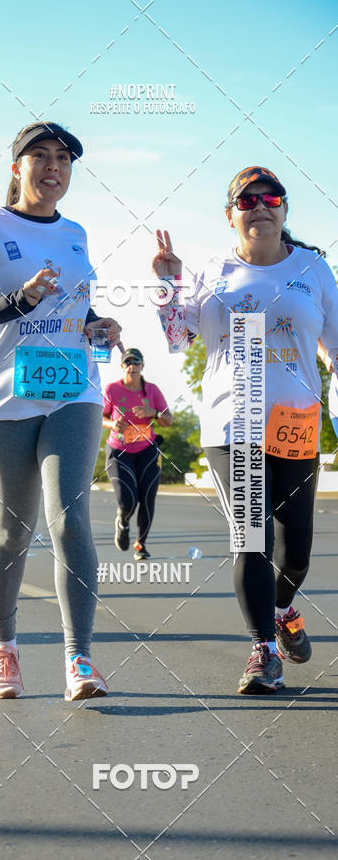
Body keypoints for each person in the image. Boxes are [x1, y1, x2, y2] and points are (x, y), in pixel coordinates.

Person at [0, 120, 122, 700]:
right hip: (4, 400)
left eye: (64, 159)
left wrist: (98, 326)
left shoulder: (77, 234)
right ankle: (4, 649)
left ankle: (80, 661)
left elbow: (78, 310)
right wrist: (21, 298)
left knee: (70, 520)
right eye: (40, 156)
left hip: (74, 390)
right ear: (17, 166)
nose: (53, 167)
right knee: (13, 529)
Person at [152, 165, 338, 694]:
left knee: (295, 549)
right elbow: (177, 338)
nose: (260, 204)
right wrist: (168, 284)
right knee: (251, 537)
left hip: (295, 422)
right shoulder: (212, 272)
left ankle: (281, 609)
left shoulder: (313, 269)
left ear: (284, 208)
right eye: (246, 198)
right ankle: (263, 652)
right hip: (233, 420)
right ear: (230, 214)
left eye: (270, 196)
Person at [102, 348, 172, 559]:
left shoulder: (151, 390)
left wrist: (154, 413)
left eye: (136, 363)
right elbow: (101, 417)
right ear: (122, 366)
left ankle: (140, 545)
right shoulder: (112, 389)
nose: (132, 367)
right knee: (127, 500)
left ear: (142, 366)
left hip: (147, 450)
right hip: (119, 451)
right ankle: (123, 522)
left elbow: (168, 421)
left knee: (147, 497)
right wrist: (113, 424)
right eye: (128, 363)